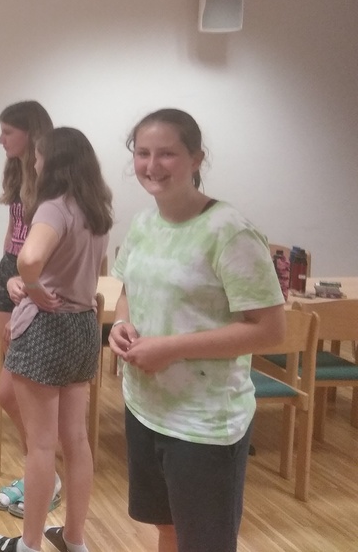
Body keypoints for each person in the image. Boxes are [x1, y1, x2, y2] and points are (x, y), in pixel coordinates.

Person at [106, 108, 285, 552]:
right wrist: (122, 323)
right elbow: (127, 290)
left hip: (204, 422)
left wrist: (172, 349)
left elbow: (269, 330)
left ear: (196, 159)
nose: (152, 165)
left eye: (166, 153)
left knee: (204, 542)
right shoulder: (144, 223)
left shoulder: (229, 232)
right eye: (143, 153)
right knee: (167, 528)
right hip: (145, 407)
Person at [0, 127, 113, 552]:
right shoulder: (96, 211)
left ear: (53, 162)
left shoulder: (54, 208)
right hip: (83, 326)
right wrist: (35, 284)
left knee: (41, 445)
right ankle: (74, 539)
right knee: (76, 440)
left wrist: (32, 287)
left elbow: (29, 258)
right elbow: (84, 271)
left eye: (39, 157)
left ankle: (29, 545)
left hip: (46, 328)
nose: (35, 164)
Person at [0, 101, 61, 519]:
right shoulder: (16, 171)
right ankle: (41, 470)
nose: (0, 140)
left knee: (13, 389)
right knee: (8, 383)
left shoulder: (53, 178)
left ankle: (44, 472)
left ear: (30, 133)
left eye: (7, 132)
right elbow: (13, 231)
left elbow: (49, 241)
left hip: (35, 275)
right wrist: (0, 279)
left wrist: (27, 280)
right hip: (11, 270)